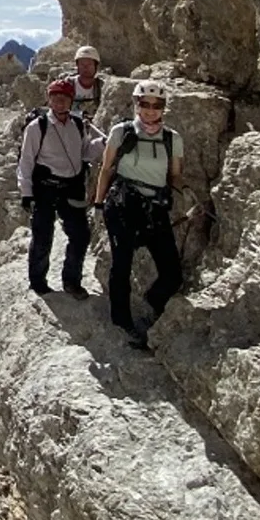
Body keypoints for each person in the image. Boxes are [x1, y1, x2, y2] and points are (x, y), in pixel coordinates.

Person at [93, 79, 184, 349]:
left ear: (163, 108)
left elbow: (175, 174)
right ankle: (121, 321)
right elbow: (107, 168)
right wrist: (98, 204)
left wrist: (183, 196)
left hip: (154, 207)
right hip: (123, 203)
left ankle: (151, 304)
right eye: (145, 104)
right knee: (121, 264)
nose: (150, 111)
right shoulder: (122, 132)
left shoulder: (172, 138)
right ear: (136, 104)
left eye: (157, 106)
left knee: (172, 273)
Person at [18, 77, 105, 298]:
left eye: (64, 98)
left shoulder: (77, 124)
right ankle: (38, 283)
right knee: (42, 237)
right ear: (49, 100)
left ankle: (71, 281)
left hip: (71, 187)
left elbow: (84, 153)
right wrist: (26, 193)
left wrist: (104, 144)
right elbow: (26, 161)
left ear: (71, 100)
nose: (60, 103)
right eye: (55, 98)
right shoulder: (37, 127)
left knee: (80, 235)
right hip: (45, 189)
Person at [70, 44, 103, 122]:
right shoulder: (68, 84)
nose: (85, 68)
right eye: (82, 64)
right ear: (77, 66)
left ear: (96, 66)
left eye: (89, 64)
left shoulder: (101, 86)